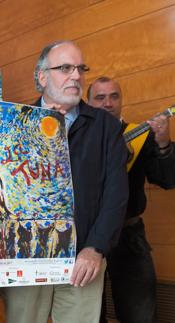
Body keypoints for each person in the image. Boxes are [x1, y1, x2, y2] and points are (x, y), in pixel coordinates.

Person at [1, 40, 128, 323]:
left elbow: (116, 194)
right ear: (42, 76)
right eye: (65, 68)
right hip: (27, 259)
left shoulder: (105, 126)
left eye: (80, 68)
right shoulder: (16, 123)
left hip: (83, 261)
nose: (76, 76)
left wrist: (95, 248)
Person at [87, 76, 175, 323]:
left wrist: (163, 143)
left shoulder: (140, 135)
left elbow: (168, 180)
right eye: (100, 97)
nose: (108, 103)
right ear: (87, 102)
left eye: (114, 96)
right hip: (88, 238)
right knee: (90, 315)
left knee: (140, 314)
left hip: (129, 236)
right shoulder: (75, 139)